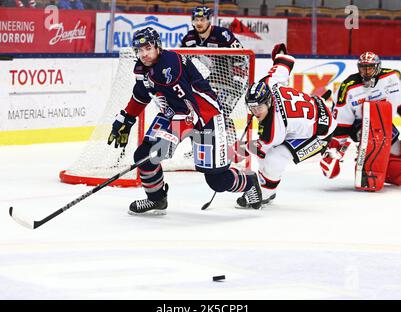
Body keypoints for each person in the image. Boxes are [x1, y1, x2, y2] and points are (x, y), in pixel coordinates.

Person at [107, 27, 263, 214]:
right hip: (174, 113)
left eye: (148, 48)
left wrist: (170, 138)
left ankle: (250, 182)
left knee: (217, 181)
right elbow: (141, 94)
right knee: (144, 156)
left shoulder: (170, 68)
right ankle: (157, 199)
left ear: (157, 46)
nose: (144, 54)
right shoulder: (143, 68)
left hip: (205, 119)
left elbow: (191, 112)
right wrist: (126, 118)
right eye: (139, 50)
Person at [230, 44, 337, 208]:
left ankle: (266, 191)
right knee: (268, 153)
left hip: (320, 132)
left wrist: (238, 150)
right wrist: (280, 55)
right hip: (311, 110)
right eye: (251, 107)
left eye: (259, 107)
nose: (255, 111)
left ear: (268, 101)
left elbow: (262, 148)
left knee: (275, 156)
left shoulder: (275, 126)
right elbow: (284, 63)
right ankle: (265, 181)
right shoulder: (269, 82)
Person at [320, 51, 401, 187]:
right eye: (363, 67)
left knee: (399, 155)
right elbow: (341, 124)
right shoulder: (348, 87)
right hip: (358, 126)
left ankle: (389, 175)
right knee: (373, 140)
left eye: (370, 67)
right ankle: (366, 168)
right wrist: (335, 149)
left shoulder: (390, 78)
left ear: (378, 67)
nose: (366, 71)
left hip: (383, 123)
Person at [181, 6, 247, 148]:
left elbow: (242, 57)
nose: (199, 23)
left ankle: (229, 147)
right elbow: (182, 62)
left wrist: (239, 81)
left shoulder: (222, 34)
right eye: (196, 19)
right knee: (203, 111)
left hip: (235, 79)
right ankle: (202, 146)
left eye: (203, 19)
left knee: (221, 113)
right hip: (216, 77)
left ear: (209, 20)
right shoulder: (189, 39)